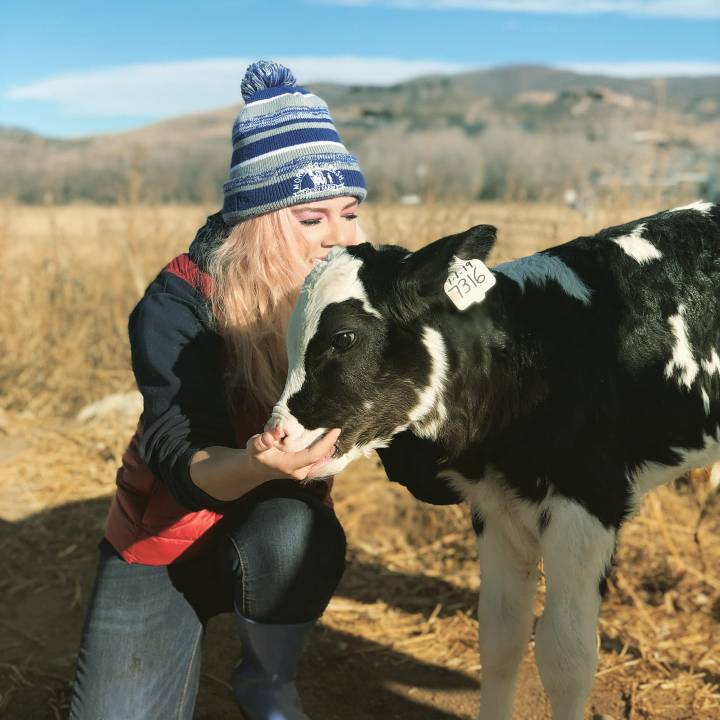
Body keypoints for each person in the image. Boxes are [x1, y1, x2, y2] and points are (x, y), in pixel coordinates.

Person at [69, 60, 459, 720]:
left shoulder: (362, 303)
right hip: (161, 538)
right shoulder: (179, 304)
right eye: (312, 219)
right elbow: (175, 449)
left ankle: (268, 678)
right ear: (262, 224)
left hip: (271, 531)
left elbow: (419, 463)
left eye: (350, 212)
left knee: (290, 534)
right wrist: (254, 463)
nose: (342, 238)